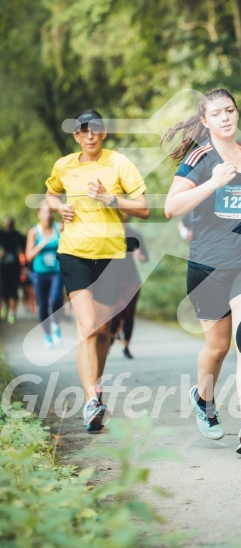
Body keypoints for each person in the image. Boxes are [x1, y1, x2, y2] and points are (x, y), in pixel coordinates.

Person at [163, 88, 241, 455]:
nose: (226, 117)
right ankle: (204, 398)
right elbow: (171, 207)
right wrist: (213, 182)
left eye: (230, 110)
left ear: (237, 113)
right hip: (209, 263)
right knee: (216, 348)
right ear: (205, 121)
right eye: (217, 113)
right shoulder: (200, 158)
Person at [46, 110, 149, 432]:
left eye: (96, 130)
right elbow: (51, 193)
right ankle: (91, 400)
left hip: (111, 256)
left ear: (103, 134)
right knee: (87, 326)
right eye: (83, 131)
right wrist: (58, 207)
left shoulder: (119, 163)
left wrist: (110, 198)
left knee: (102, 330)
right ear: (76, 136)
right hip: (73, 252)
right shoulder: (64, 166)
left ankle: (96, 385)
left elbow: (144, 208)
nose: (90, 135)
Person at [25, 201, 64, 350]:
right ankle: (48, 335)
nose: (47, 214)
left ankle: (56, 324)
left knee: (55, 300)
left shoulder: (59, 228)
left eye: (49, 211)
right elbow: (28, 256)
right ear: (39, 214)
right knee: (42, 307)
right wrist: (41, 245)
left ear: (52, 213)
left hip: (56, 271)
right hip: (40, 273)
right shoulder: (34, 232)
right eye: (44, 212)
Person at [110, 222, 149, 359]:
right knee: (115, 311)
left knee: (128, 313)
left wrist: (139, 255)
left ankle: (126, 346)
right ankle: (109, 338)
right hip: (112, 279)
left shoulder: (135, 235)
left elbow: (145, 258)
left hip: (131, 279)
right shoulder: (108, 232)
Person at [0, 217, 26, 324]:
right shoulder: (1, 234)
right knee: (3, 289)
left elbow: (24, 248)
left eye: (10, 224)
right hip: (3, 267)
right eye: (7, 224)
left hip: (15, 267)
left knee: (14, 290)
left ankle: (12, 312)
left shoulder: (17, 236)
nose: (9, 226)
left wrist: (24, 264)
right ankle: (5, 306)